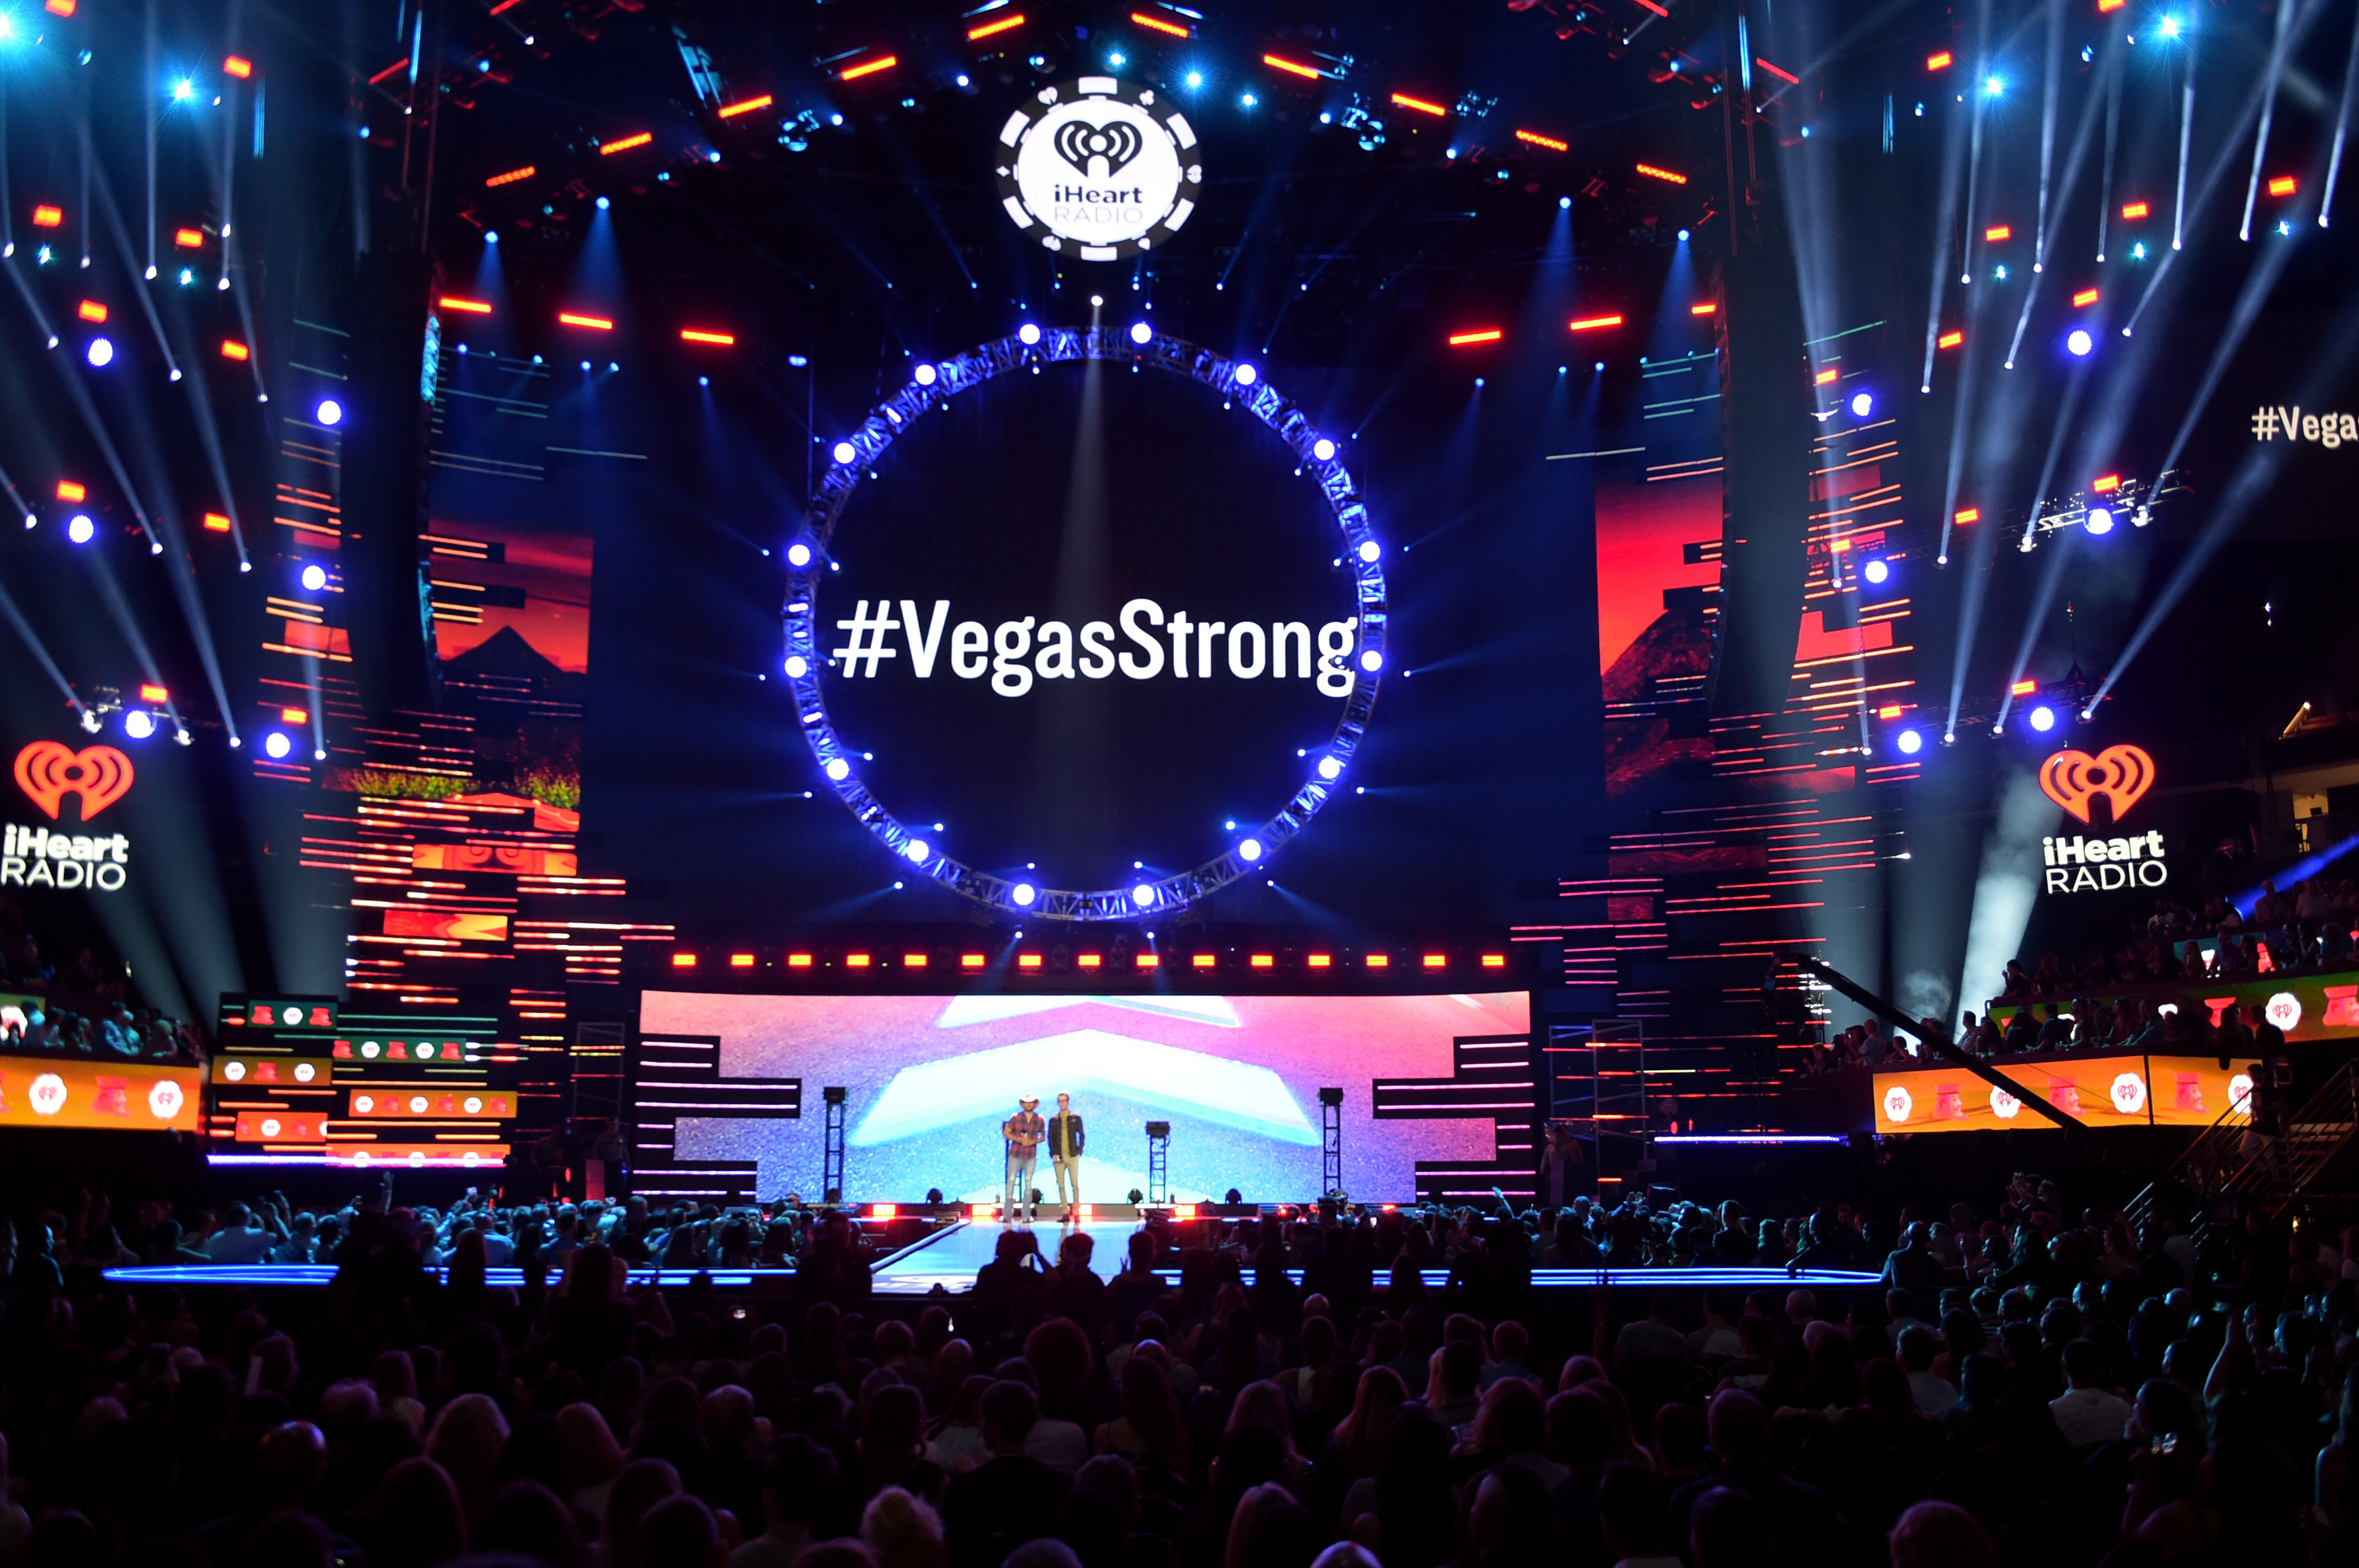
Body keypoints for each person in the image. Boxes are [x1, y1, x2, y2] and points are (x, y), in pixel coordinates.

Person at [1002, 1094, 1045, 1226]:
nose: (1028, 1105)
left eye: (1031, 1102)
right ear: (1022, 1104)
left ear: (1035, 1104)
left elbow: (1043, 1136)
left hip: (1030, 1155)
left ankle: (1026, 1215)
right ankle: (1007, 1215)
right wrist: (1019, 1139)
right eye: (1026, 1102)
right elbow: (1007, 1133)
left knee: (1028, 1184)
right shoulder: (1016, 1118)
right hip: (1015, 1154)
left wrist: (1033, 1141)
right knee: (1011, 1182)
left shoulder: (1040, 1119)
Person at [1045, 1092, 1084, 1217]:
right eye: (1060, 1101)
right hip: (1059, 1156)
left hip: (1072, 1155)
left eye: (1064, 1101)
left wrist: (1079, 1150)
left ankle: (1076, 1210)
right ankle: (1065, 1212)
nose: (1062, 1103)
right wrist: (1053, 1154)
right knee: (1061, 1185)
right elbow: (1050, 1137)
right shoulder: (1054, 1120)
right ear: (1058, 1103)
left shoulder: (1075, 1118)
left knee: (1075, 1184)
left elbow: (1081, 1135)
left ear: (1068, 1102)